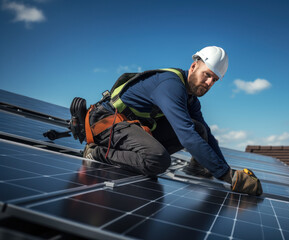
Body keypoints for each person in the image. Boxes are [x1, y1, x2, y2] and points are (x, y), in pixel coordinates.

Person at [75, 46, 262, 196]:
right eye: (207, 74)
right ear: (194, 66)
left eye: (214, 80)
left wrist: (229, 172)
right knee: (157, 160)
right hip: (107, 123)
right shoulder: (170, 85)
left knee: (200, 130)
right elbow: (187, 136)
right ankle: (97, 153)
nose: (209, 83)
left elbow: (206, 134)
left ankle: (196, 170)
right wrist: (227, 176)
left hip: (132, 128)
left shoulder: (191, 100)